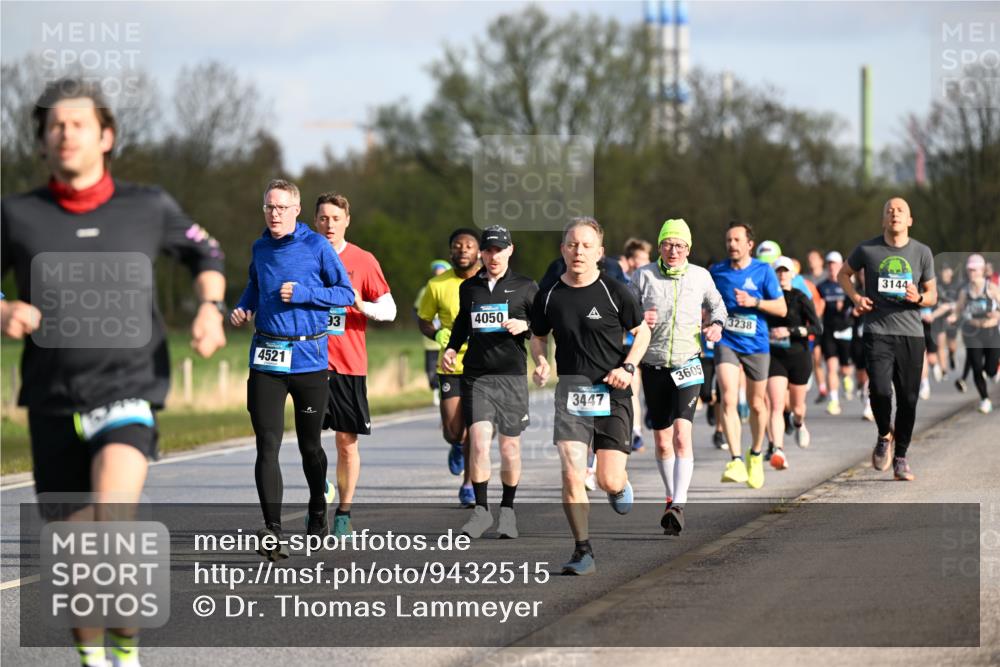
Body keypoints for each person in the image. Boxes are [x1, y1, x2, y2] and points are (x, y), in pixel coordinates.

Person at [1, 78, 227, 667]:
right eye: (54, 125)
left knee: (112, 518)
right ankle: (98, 659)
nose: (65, 132)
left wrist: (209, 307)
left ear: (106, 136)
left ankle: (125, 654)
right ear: (43, 143)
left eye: (78, 123)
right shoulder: (18, 215)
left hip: (128, 389)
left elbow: (208, 252)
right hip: (52, 399)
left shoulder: (147, 206)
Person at [231, 179, 355, 554]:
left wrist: (305, 294)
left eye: (282, 208)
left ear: (297, 210)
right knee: (266, 445)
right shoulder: (260, 246)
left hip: (308, 360)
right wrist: (244, 306)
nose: (274, 214)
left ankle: (318, 510)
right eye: (269, 207)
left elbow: (345, 294)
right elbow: (254, 284)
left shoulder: (316, 246)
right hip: (267, 356)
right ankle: (271, 531)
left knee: (310, 447)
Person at [530, 217, 650, 575]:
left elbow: (641, 333)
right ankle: (582, 551)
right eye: (571, 244)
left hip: (612, 392)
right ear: (563, 249)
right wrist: (540, 362)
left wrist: (628, 367)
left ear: (599, 252)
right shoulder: (549, 294)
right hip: (571, 392)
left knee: (608, 480)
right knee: (570, 473)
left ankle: (618, 485)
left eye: (586, 246)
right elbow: (538, 335)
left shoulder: (616, 291)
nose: (578, 251)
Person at [630, 219, 726, 536]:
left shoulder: (700, 276)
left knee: (682, 435)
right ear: (659, 247)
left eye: (680, 245)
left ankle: (678, 505)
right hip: (654, 365)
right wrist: (639, 318)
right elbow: (623, 312)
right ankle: (670, 495)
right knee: (661, 441)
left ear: (689, 249)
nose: (674, 250)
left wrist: (717, 326)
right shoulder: (643, 276)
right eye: (669, 244)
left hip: (688, 363)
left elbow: (718, 306)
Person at [442, 225, 538, 538]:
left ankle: (508, 512)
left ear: (511, 250)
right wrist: (452, 348)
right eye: (488, 250)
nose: (493, 256)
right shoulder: (469, 288)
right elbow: (461, 323)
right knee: (480, 443)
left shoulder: (525, 286)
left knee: (509, 449)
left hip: (510, 376)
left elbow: (540, 327)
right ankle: (482, 512)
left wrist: (524, 326)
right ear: (481, 253)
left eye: (499, 249)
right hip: (476, 376)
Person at [314, 192, 396, 537]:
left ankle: (344, 512)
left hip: (349, 364)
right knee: (308, 441)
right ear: (314, 222)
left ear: (347, 220)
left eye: (336, 218)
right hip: (309, 363)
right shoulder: (302, 256)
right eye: (323, 218)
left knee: (346, 441)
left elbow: (389, 311)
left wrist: (362, 305)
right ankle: (318, 501)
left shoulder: (363, 260)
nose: (329, 224)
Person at [838, 197, 937, 482]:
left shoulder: (922, 252)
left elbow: (932, 294)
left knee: (908, 399)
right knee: (880, 390)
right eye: (889, 211)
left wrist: (918, 298)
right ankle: (884, 434)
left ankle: (901, 456)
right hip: (877, 331)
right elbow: (843, 274)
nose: (894, 213)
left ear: (909, 220)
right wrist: (856, 297)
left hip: (911, 334)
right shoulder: (867, 250)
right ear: (883, 220)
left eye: (900, 210)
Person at [710, 222, 786, 489]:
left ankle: (755, 453)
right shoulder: (716, 272)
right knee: (728, 397)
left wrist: (754, 302)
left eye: (737, 240)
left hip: (756, 343)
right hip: (727, 341)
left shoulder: (764, 271)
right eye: (728, 240)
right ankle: (735, 460)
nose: (732, 244)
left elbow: (782, 308)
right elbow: (706, 302)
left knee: (756, 404)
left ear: (749, 244)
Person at [417, 228, 481, 506]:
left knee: (475, 429)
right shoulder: (437, 285)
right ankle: (454, 445)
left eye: (469, 245)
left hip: (482, 365)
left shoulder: (488, 280)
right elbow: (424, 318)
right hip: (451, 364)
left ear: (478, 251)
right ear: (450, 251)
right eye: (458, 245)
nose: (463, 250)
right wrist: (436, 334)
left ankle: (469, 483)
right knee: (454, 431)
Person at [765, 256, 823, 468]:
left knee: (798, 407)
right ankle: (778, 449)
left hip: (799, 355)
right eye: (778, 271)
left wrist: (790, 331)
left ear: (792, 274)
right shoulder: (766, 298)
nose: (781, 274)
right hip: (775, 357)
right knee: (776, 405)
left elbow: (817, 328)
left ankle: (798, 423)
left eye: (785, 271)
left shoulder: (801, 297)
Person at [949, 254, 1000, 414]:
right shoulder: (965, 291)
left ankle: (995, 369)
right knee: (977, 367)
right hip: (972, 333)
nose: (971, 273)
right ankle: (985, 399)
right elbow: (958, 310)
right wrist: (953, 317)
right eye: (969, 270)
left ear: (982, 270)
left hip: (991, 331)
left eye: (974, 270)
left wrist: (997, 314)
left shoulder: (991, 288)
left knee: (990, 369)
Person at [816, 251, 856, 415]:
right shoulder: (821, 287)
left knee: (845, 368)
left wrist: (848, 308)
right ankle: (834, 401)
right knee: (831, 367)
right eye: (829, 264)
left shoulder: (847, 285)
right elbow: (817, 308)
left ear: (841, 265)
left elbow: (857, 304)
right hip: (829, 332)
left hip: (846, 330)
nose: (832, 267)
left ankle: (846, 378)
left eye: (835, 264)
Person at [415, 260, 451, 405]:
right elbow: (417, 312)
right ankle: (436, 390)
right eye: (436, 273)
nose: (438, 276)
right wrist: (424, 326)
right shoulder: (426, 290)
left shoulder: (453, 288)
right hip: (430, 341)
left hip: (448, 340)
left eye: (442, 273)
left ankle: (445, 394)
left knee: (447, 371)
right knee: (430, 373)